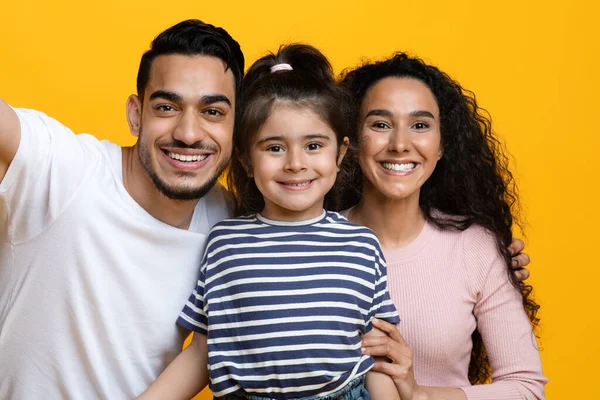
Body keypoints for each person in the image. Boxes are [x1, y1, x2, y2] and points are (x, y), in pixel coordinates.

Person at [138, 44, 401, 400]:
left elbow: (377, 356)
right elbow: (203, 350)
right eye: (274, 148)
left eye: (313, 146)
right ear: (246, 160)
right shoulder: (225, 243)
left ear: (339, 153)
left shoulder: (362, 246)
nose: (295, 163)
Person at [0, 19, 244, 399]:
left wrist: (372, 337)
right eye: (167, 106)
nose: (189, 133)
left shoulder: (228, 222)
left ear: (236, 126)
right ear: (136, 114)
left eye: (212, 112)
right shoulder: (67, 170)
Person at [338, 53, 548, 399]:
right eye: (380, 124)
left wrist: (419, 394)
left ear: (441, 146)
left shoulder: (476, 247)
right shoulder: (312, 240)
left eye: (420, 125)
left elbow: (527, 389)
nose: (400, 144)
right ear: (354, 143)